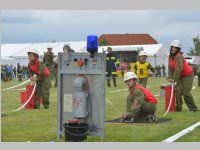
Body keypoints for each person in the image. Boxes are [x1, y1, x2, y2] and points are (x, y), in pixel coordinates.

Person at [168, 40, 198, 112]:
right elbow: (170, 68)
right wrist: (169, 77)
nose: (173, 48)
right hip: (180, 76)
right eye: (172, 47)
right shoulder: (170, 57)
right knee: (178, 92)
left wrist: (174, 79)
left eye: (175, 47)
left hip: (187, 75)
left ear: (178, 49)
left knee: (186, 92)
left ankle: (193, 108)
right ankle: (179, 108)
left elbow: (178, 69)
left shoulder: (179, 56)